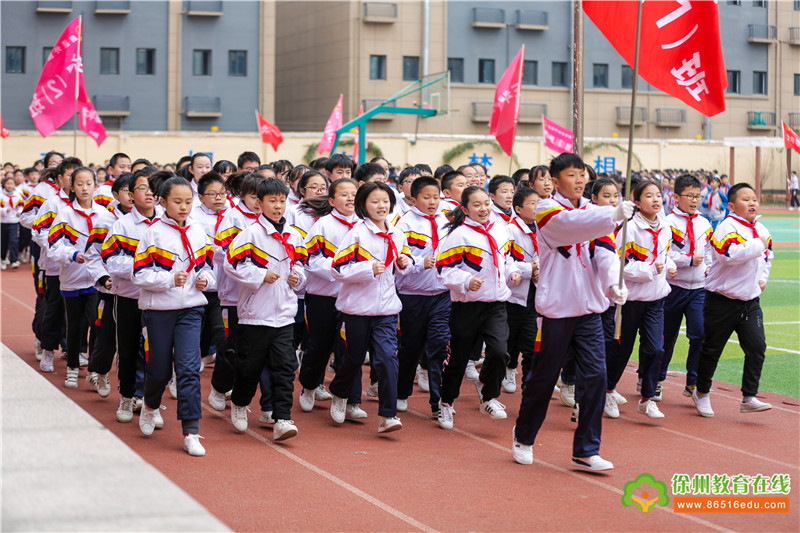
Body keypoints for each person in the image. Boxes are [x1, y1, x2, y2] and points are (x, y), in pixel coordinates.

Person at [513, 152, 633, 471]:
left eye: (582, 174)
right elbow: (571, 227)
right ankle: (523, 437)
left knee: (595, 375)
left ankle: (586, 448)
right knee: (543, 378)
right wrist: (612, 216)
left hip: (590, 310)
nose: (579, 180)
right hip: (556, 311)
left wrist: (611, 285)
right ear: (554, 181)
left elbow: (606, 254)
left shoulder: (596, 213)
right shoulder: (547, 210)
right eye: (571, 175)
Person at [132, 175, 215, 457]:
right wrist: (169, 280)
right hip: (158, 310)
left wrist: (205, 279)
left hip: (191, 308)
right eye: (177, 201)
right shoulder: (152, 233)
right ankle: (150, 404)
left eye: (188, 201)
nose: (184, 207)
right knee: (158, 368)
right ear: (163, 201)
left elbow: (207, 266)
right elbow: (139, 274)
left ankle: (191, 431)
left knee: (189, 368)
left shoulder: (198, 230)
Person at [224, 178, 307, 441]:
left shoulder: (294, 236)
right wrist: (260, 275)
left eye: (282, 201)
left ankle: (282, 418)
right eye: (272, 201)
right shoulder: (249, 235)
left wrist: (298, 278)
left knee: (285, 367)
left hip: (284, 313)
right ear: (259, 203)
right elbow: (232, 266)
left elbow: (302, 267)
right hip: (255, 315)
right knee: (250, 367)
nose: (278, 206)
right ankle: (239, 402)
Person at [329, 181, 412, 433]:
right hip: (356, 310)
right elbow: (338, 268)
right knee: (353, 358)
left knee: (387, 358)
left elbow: (404, 265)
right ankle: (340, 393)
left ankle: (388, 415)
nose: (381, 206)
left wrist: (404, 262)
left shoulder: (397, 233)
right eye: (375, 201)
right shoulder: (356, 233)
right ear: (363, 205)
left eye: (385, 201)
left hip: (387, 309)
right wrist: (367, 269)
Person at [436, 186, 521, 429]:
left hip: (496, 304)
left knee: (498, 352)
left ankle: (488, 395)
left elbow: (507, 258)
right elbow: (443, 270)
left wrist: (512, 272)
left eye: (486, 203)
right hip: (467, 307)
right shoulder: (459, 236)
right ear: (465, 209)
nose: (483, 209)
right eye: (476, 205)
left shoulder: (501, 229)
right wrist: (465, 281)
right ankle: (446, 402)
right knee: (458, 359)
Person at [693, 183, 773, 417]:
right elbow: (731, 255)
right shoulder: (725, 228)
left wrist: (763, 278)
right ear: (731, 205)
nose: (752, 203)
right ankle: (702, 392)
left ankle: (749, 397)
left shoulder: (762, 228)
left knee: (757, 347)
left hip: (750, 302)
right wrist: (760, 243)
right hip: (721, 301)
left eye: (755, 199)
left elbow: (768, 256)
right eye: (746, 199)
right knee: (712, 350)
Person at [605, 180, 676, 420]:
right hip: (630, 300)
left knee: (655, 348)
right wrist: (650, 270)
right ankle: (607, 390)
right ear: (636, 203)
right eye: (649, 196)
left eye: (658, 195)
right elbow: (620, 265)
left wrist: (669, 266)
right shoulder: (628, 229)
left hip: (656, 299)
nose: (656, 199)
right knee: (621, 349)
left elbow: (664, 256)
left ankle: (647, 398)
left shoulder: (665, 228)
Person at [48, 167, 116, 389]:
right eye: (79, 184)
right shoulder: (65, 215)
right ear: (72, 187)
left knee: (97, 325)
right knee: (75, 326)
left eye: (89, 183)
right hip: (72, 279)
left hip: (96, 281)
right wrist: (72, 254)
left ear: (95, 185)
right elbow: (53, 246)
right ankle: (73, 367)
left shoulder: (105, 216)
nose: (84, 188)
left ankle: (95, 369)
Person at [101, 167, 159, 422]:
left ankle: (150, 402)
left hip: (159, 299)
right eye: (142, 188)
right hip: (128, 297)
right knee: (127, 348)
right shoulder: (122, 225)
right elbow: (111, 260)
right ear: (131, 194)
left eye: (152, 188)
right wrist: (143, 269)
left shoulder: (167, 223)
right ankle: (126, 396)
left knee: (156, 351)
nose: (148, 193)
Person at [297, 178, 359, 413]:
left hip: (353, 300)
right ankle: (310, 386)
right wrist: (338, 271)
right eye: (344, 195)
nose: (350, 198)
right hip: (323, 296)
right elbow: (310, 259)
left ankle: (346, 398)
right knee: (319, 346)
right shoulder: (322, 225)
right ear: (332, 201)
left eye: (354, 194)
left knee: (349, 349)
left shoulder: (364, 225)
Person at [394, 176, 450, 417]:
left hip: (442, 295)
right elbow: (399, 262)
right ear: (413, 199)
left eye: (436, 197)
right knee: (410, 347)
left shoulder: (449, 220)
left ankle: (439, 402)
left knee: (439, 345)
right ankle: (401, 391)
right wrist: (420, 263)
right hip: (412, 295)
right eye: (426, 197)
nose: (432, 202)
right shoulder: (403, 224)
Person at [661, 174, 713, 400]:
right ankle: (655, 379)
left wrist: (709, 267)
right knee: (667, 338)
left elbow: (709, 251)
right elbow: (664, 253)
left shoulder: (704, 223)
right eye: (689, 196)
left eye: (697, 196)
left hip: (698, 289)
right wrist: (688, 259)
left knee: (700, 334)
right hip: (674, 287)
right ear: (676, 197)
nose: (694, 200)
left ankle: (692, 382)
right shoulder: (667, 223)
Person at [32, 159, 81, 371]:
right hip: (55, 267)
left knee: (80, 316)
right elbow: (38, 230)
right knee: (54, 310)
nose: (76, 182)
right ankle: (48, 350)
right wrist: (59, 249)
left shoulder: (90, 205)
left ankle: (76, 351)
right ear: (60, 179)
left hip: (82, 271)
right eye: (71, 177)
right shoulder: (52, 203)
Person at [190, 171, 230, 373]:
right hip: (199, 282)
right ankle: (184, 370)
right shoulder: (192, 218)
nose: (219, 198)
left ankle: (219, 381)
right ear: (200, 196)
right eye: (213, 194)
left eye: (222, 193)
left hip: (224, 285)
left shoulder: (232, 214)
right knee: (196, 329)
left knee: (220, 332)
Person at [504, 186, 540, 393]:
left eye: (539, 203)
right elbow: (505, 260)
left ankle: (529, 385)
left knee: (531, 341)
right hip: (513, 295)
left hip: (535, 293)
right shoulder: (509, 230)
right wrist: (530, 269)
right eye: (532, 203)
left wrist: (539, 269)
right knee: (509, 342)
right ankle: (507, 368)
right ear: (518, 208)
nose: (537, 208)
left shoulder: (543, 229)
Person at [1, 176, 22, 269]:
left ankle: (14, 260)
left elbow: (22, 205)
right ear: (4, 184)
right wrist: (5, 210)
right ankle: (2, 258)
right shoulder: (1, 195)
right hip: (3, 221)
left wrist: (20, 212)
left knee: (14, 240)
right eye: (8, 183)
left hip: (14, 221)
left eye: (11, 184)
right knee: (3, 241)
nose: (9, 186)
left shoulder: (17, 195)